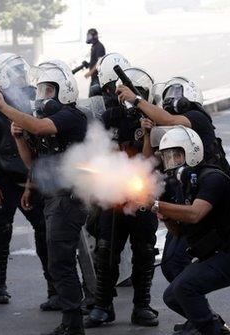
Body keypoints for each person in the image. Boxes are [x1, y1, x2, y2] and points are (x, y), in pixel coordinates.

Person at [0, 61, 88, 335]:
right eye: (41, 90)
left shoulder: (71, 116)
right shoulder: (40, 122)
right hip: (51, 197)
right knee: (59, 259)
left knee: (61, 260)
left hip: (69, 197)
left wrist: (4, 108)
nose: (42, 96)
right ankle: (71, 319)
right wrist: (20, 138)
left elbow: (41, 127)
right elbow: (34, 163)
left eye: (48, 90)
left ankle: (74, 322)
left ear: (64, 91)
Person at [153, 127, 230, 335]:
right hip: (210, 255)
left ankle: (212, 330)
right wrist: (167, 216)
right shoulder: (184, 185)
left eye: (177, 155)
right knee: (172, 296)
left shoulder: (212, 178)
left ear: (192, 151)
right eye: (168, 157)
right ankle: (216, 326)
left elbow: (195, 214)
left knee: (184, 288)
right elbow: (180, 232)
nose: (172, 162)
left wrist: (156, 205)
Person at [0, 53, 55, 308]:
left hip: (32, 176)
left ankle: (54, 287)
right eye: (15, 71)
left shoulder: (35, 96)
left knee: (45, 231)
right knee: (0, 232)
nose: (21, 74)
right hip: (3, 179)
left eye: (22, 69)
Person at [85, 67, 159, 328]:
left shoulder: (155, 119)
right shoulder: (109, 117)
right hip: (113, 194)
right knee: (106, 250)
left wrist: (148, 132)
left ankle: (142, 305)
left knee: (145, 251)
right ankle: (103, 305)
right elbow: (96, 151)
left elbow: (151, 161)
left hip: (142, 195)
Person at [116, 77, 230, 175]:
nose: (170, 99)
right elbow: (149, 163)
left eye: (176, 93)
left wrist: (136, 100)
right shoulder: (172, 128)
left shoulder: (197, 117)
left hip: (209, 177)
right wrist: (147, 134)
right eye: (169, 94)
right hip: (186, 180)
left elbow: (169, 120)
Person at [84, 28, 106, 95]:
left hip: (98, 78)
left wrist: (90, 72)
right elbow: (95, 61)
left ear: (95, 36)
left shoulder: (99, 47)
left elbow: (99, 62)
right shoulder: (94, 46)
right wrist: (88, 64)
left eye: (89, 36)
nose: (88, 38)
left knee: (94, 98)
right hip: (94, 78)